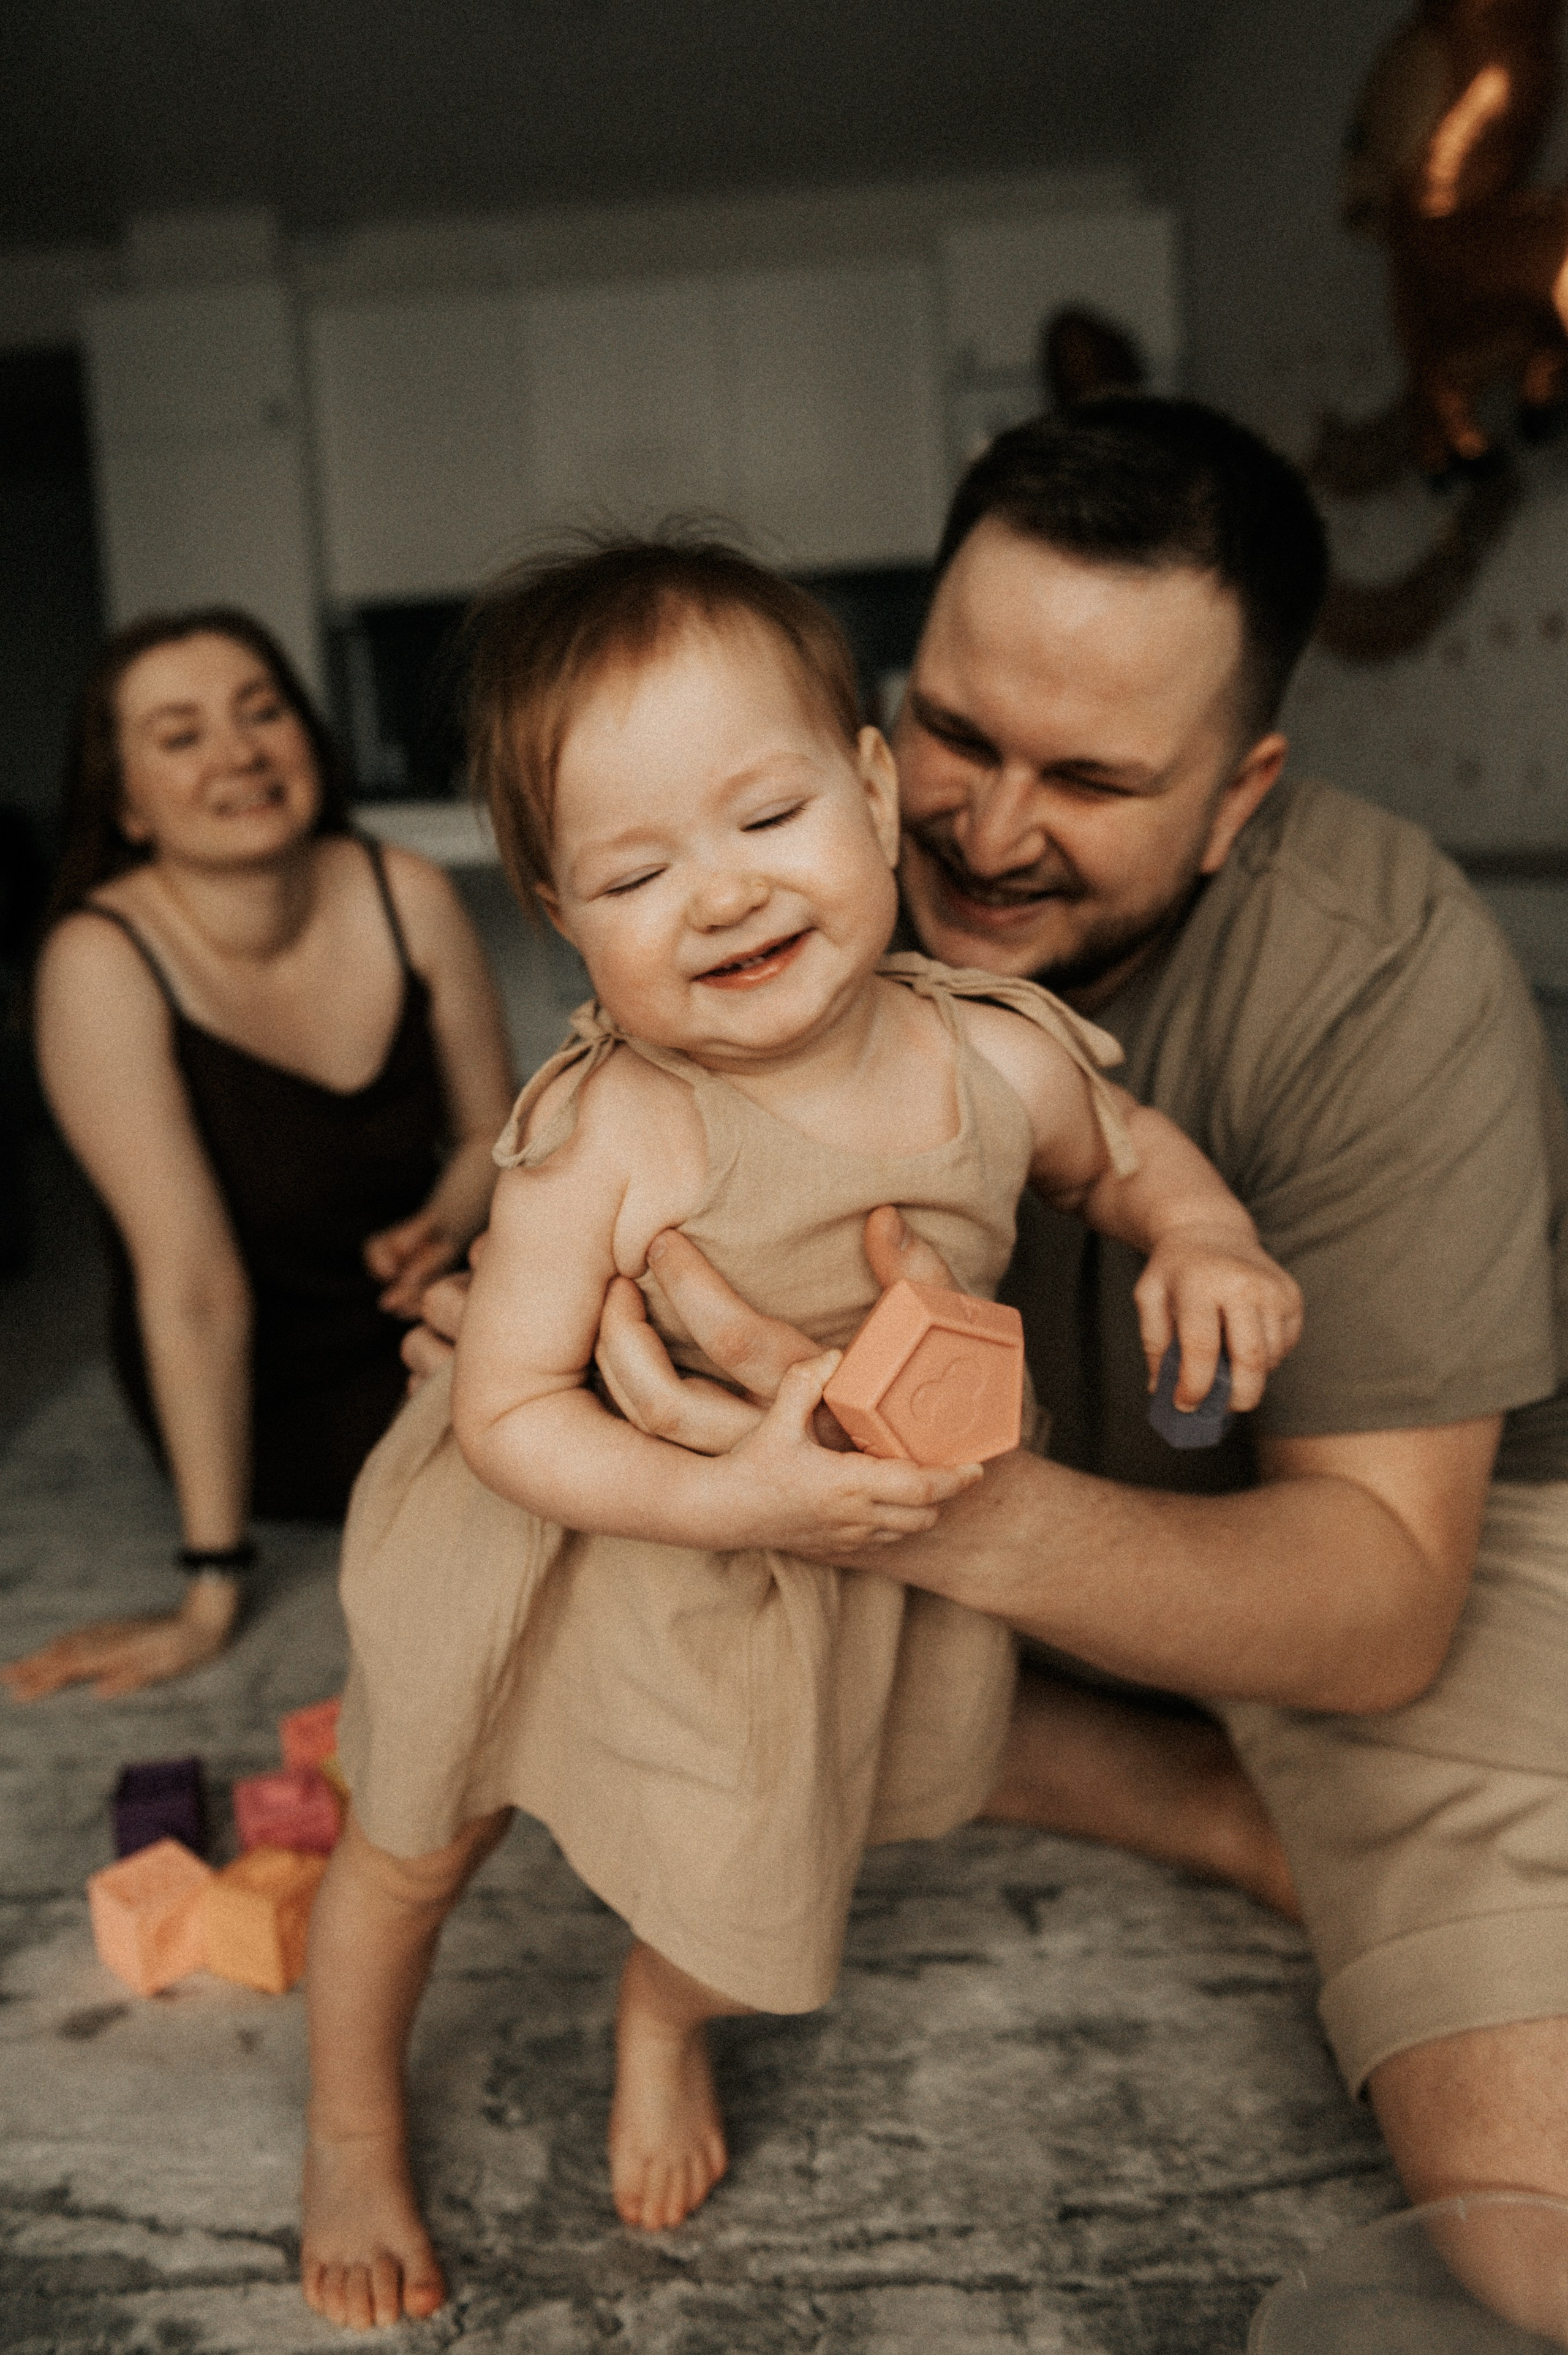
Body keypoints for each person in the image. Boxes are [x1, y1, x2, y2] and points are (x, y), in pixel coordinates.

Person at [416, 399, 1568, 2255]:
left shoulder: (1375, 972)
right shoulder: (774, 882)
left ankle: (1136, 1759)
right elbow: (609, 1094)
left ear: (1241, 793)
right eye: (954, 734)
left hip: (1333, 1549)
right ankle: (1134, 1770)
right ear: (876, 736)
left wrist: (940, 1506)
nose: (987, 827)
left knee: (1535, 2224)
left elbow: (1380, 1607)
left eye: (1095, 782)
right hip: (884, 1524)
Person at [298, 535, 1303, 2332]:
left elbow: (1126, 1156)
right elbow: (511, 1405)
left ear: (866, 785)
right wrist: (723, 1486)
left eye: (766, 817)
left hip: (827, 1566)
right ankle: (351, 2115)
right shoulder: (608, 1134)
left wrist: (1206, 1236)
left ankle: (662, 2012)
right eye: (635, 866)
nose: (721, 895)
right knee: (413, 1830)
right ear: (562, 915)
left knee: (772, 1842)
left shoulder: (990, 1059)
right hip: (577, 1536)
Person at [1, 609, 515, 1701]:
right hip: (259, 1378)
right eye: (180, 734)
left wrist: (448, 1220)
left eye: (262, 710)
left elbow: (491, 1136)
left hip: (421, 1319)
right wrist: (210, 1587)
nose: (238, 753)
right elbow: (192, 1288)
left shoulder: (406, 893)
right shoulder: (101, 960)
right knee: (551, 1450)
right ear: (127, 802)